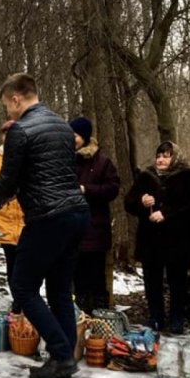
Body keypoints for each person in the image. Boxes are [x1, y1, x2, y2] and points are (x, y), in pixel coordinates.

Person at [0, 73, 89, 378]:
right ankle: (63, 364)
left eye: (7, 106)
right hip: (77, 214)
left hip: (48, 218)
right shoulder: (63, 126)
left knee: (23, 286)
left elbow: (9, 182)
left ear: (16, 98)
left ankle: (61, 352)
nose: (8, 113)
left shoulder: (20, 130)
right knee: (60, 292)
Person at [124, 140, 190, 334]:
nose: (161, 160)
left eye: (166, 156)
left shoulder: (189, 177)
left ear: (175, 157)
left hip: (178, 239)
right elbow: (129, 203)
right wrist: (141, 201)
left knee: (177, 281)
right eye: (158, 156)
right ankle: (155, 317)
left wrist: (166, 213)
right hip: (151, 239)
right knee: (152, 281)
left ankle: (177, 318)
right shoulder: (145, 177)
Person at [70, 116, 120, 314]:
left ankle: (100, 316)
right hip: (72, 229)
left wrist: (86, 189)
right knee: (77, 278)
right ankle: (81, 316)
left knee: (97, 277)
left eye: (74, 135)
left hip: (95, 228)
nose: (71, 139)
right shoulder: (67, 158)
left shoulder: (102, 161)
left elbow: (113, 188)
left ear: (84, 136)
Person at [0, 120, 25, 288]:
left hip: (26, 218)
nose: (8, 136)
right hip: (4, 219)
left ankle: (25, 303)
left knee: (26, 264)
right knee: (11, 263)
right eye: (5, 133)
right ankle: (16, 304)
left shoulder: (29, 156)